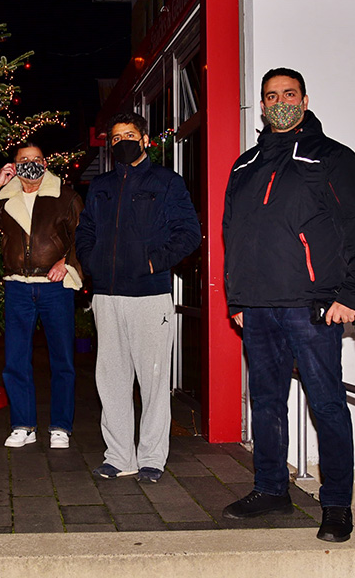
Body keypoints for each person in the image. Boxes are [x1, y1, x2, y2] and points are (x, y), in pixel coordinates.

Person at [221, 67, 355, 542]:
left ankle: (336, 504)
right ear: (263, 105)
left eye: (289, 94)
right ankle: (271, 489)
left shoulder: (331, 157)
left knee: (327, 403)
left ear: (305, 99)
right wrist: (237, 298)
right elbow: (235, 235)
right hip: (257, 307)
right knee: (267, 403)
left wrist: (352, 297)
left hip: (312, 306)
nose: (280, 102)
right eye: (271, 96)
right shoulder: (244, 165)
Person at [76, 112, 200, 483]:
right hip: (107, 295)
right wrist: (91, 261)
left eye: (129, 135)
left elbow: (189, 233)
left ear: (145, 139)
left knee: (153, 378)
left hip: (149, 294)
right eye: (115, 138)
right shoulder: (100, 185)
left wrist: (152, 262)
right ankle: (118, 456)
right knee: (111, 379)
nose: (122, 142)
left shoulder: (166, 182)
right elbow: (86, 231)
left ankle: (151, 458)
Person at [0, 141, 84, 449]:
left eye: (37, 158)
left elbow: (85, 237)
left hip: (55, 288)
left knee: (62, 360)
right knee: (15, 360)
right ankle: (23, 425)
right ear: (15, 165)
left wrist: (67, 262)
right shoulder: (5, 197)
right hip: (17, 286)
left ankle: (61, 426)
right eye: (24, 160)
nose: (31, 163)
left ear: (45, 163)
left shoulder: (65, 196)